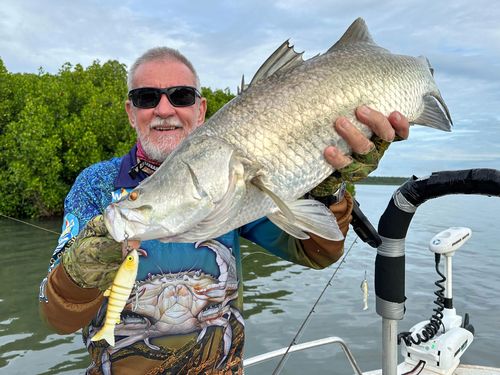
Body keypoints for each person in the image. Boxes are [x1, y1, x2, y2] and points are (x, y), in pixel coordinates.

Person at [39, 46, 409, 374]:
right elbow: (58, 316)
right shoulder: (98, 184)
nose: (164, 109)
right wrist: (92, 257)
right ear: (130, 111)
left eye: (181, 96)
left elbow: (318, 252)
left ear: (200, 110)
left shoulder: (229, 187)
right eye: (147, 97)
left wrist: (328, 188)